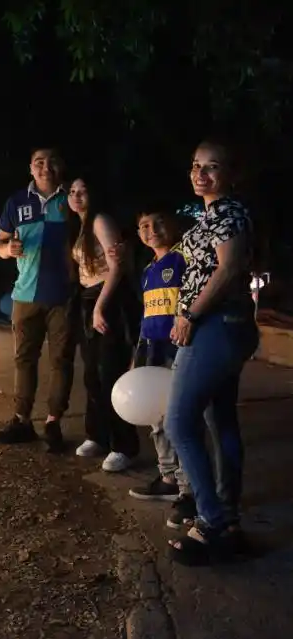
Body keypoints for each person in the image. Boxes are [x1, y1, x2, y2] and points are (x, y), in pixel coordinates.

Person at [164, 139, 258, 566]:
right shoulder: (208, 215)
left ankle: (211, 522)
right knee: (220, 421)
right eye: (196, 165)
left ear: (230, 174)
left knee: (179, 421)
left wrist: (190, 315)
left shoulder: (228, 212)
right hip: (219, 325)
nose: (200, 174)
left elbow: (228, 268)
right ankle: (228, 519)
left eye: (212, 167)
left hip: (215, 325)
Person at [0, 147, 77, 453]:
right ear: (30, 168)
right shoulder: (16, 202)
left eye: (52, 161)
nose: (45, 167)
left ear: (61, 166)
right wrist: (7, 250)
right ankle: (21, 420)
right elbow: (0, 243)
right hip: (25, 295)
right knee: (24, 359)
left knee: (61, 360)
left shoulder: (72, 199)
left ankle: (53, 422)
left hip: (64, 295)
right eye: (39, 162)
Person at [68, 177, 140, 472]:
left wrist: (100, 307)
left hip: (107, 299)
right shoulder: (81, 225)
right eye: (72, 192)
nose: (76, 196)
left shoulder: (100, 220)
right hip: (88, 298)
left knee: (110, 372)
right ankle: (97, 435)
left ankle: (124, 445)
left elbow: (117, 267)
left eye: (83, 191)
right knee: (92, 374)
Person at [125, 208, 190, 500]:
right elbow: (147, 316)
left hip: (180, 349)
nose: (151, 230)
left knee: (180, 418)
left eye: (158, 223)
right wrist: (137, 357)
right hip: (153, 351)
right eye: (144, 225)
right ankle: (167, 477)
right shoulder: (148, 271)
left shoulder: (185, 258)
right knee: (157, 417)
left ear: (173, 224)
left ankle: (188, 487)